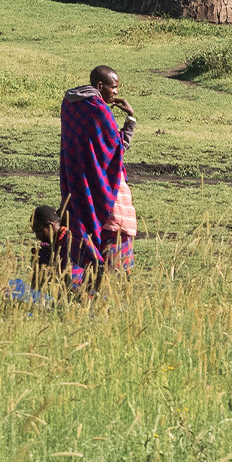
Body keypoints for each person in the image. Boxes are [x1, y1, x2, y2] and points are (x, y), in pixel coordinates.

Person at [59, 65, 137, 293]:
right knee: (117, 225)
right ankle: (105, 289)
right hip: (103, 184)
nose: (115, 92)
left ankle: (81, 288)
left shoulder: (69, 105)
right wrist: (130, 119)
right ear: (100, 86)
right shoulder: (101, 111)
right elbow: (116, 149)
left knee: (81, 226)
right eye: (113, 87)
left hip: (78, 183)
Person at [30, 204, 71, 291]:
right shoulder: (55, 241)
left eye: (39, 231)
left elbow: (67, 272)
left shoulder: (68, 240)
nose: (37, 236)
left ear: (50, 226)